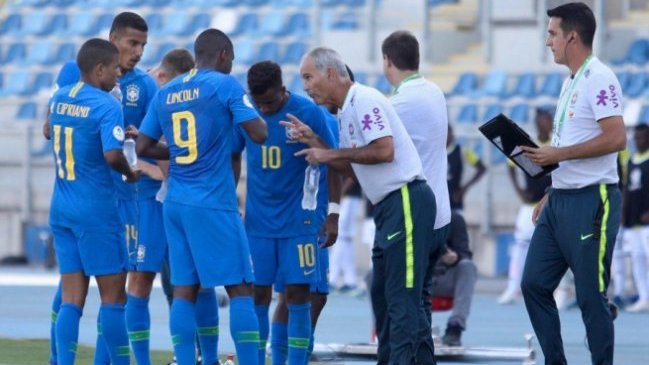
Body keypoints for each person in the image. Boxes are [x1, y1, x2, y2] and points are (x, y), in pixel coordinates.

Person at [288, 47, 441, 365]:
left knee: (402, 300)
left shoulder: (364, 99)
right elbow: (352, 171)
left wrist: (329, 154)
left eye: (308, 77)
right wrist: (316, 141)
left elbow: (385, 150)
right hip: (388, 208)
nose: (305, 86)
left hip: (406, 201)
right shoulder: (345, 112)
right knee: (382, 297)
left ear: (331, 73)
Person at [136, 28, 267, 365]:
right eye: (232, 59)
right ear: (223, 55)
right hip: (211, 200)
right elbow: (260, 133)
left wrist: (178, 152)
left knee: (185, 289)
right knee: (240, 287)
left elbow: (143, 146)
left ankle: (196, 360)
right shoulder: (224, 85)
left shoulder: (167, 92)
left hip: (175, 201)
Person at [43, 12, 157, 365]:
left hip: (70, 203)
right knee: (112, 296)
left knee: (74, 296)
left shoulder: (141, 85)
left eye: (142, 45)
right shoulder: (95, 89)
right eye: (132, 43)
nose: (137, 52)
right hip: (100, 205)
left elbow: (52, 127)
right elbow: (111, 152)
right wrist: (131, 170)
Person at [520, 3, 626, 364]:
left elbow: (616, 138)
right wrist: (551, 192)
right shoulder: (570, 81)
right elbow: (571, 142)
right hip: (561, 201)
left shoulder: (600, 77)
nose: (548, 41)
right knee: (533, 284)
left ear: (572, 37)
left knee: (590, 295)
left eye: (552, 34)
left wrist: (557, 156)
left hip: (591, 202)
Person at [231, 60, 339, 365]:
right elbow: (232, 154)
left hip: (299, 222)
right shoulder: (248, 112)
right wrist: (231, 201)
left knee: (298, 297)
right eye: (258, 102)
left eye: (269, 102)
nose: (263, 109)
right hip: (258, 224)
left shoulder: (309, 112)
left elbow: (334, 162)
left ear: (283, 89)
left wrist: (332, 214)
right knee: (258, 296)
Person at [381, 31, 453, 343]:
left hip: (414, 214)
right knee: (420, 297)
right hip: (441, 212)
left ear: (387, 61)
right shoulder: (435, 91)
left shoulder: (399, 102)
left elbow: (374, 148)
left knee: (404, 303)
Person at [498, 108, 553, 305]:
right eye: (540, 120)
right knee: (520, 244)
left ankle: (559, 290)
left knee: (559, 247)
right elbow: (510, 165)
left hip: (553, 202)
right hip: (530, 204)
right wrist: (519, 191)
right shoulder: (528, 144)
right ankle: (513, 288)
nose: (543, 124)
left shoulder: (557, 144)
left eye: (546, 120)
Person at [430, 211, 477, 347]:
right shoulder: (408, 216)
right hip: (415, 278)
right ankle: (385, 328)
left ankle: (455, 327)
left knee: (467, 266)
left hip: (443, 278)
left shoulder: (454, 219)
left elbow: (465, 254)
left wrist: (454, 257)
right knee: (375, 273)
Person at [622, 123, 649, 312]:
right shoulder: (631, 160)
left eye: (642, 137)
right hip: (633, 219)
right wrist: (624, 211)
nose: (638, 141)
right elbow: (626, 188)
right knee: (637, 259)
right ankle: (644, 297)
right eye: (636, 138)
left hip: (647, 218)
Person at [328, 177, 363, 292]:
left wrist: (339, 194)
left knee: (341, 236)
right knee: (345, 238)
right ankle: (350, 279)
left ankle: (333, 278)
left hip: (349, 197)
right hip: (349, 197)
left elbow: (351, 175)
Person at [446, 125, 486, 215]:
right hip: (439, 202)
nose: (449, 135)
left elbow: (482, 168)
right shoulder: (435, 152)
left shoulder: (463, 151)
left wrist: (463, 189)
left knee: (457, 227)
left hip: (455, 203)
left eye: (450, 132)